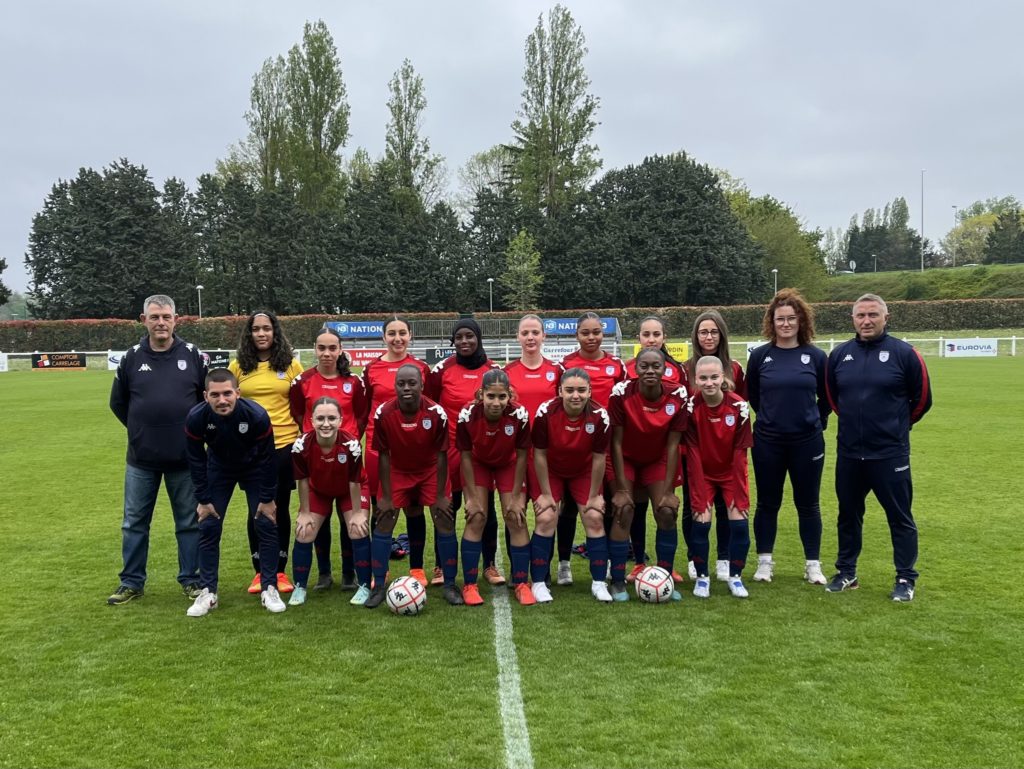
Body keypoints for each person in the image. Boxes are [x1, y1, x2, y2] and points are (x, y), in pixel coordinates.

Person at [825, 293, 932, 602]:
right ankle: (847, 572)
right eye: (861, 315)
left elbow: (922, 399)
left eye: (873, 315)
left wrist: (897, 427)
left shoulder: (905, 354)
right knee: (848, 515)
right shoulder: (839, 355)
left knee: (900, 517)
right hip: (849, 453)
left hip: (889, 454)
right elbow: (834, 399)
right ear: (853, 319)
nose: (867, 320)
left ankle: (905, 578)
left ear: (886, 317)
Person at [108, 294, 206, 605]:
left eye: (166, 316)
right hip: (141, 460)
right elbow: (118, 403)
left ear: (176, 319)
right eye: (155, 317)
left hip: (185, 459)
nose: (161, 322)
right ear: (144, 320)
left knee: (189, 523)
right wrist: (141, 431)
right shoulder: (132, 357)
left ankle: (191, 580)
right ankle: (131, 582)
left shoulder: (192, 355)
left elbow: (208, 403)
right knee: (134, 523)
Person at [183, 368, 284, 616]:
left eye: (227, 393)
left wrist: (268, 498)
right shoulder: (196, 417)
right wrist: (203, 500)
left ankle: (269, 587)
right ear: (205, 396)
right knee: (208, 525)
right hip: (219, 469)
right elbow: (196, 461)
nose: (222, 400)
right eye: (215, 395)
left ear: (238, 393)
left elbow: (269, 458)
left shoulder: (257, 415)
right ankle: (208, 592)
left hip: (255, 468)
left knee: (266, 522)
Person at [746, 290, 830, 585]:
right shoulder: (760, 356)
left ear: (801, 320)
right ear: (772, 321)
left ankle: (813, 565)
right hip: (768, 441)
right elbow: (753, 396)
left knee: (808, 504)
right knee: (768, 503)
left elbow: (828, 397)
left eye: (791, 318)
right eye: (780, 318)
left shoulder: (817, 357)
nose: (785, 323)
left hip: (807, 441)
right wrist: (771, 419)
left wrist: (815, 421)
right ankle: (765, 563)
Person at [370, 364, 463, 607]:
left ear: (422, 385)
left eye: (412, 383)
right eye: (401, 384)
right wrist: (386, 496)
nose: (407, 388)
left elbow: (442, 455)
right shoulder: (383, 413)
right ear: (395, 386)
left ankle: (451, 584)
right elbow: (383, 455)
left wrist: (442, 495)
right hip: (398, 471)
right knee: (384, 518)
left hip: (429, 470)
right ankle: (379, 585)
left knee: (443, 517)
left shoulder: (436, 413)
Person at [228, 311, 304, 596]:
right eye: (256, 329)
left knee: (279, 507)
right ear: (249, 334)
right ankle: (260, 572)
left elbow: (301, 406)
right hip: (249, 451)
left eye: (267, 328)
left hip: (283, 446)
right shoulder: (239, 367)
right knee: (255, 510)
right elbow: (227, 405)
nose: (261, 333)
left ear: (275, 332)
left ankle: (281, 570)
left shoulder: (291, 365)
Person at [426, 318, 505, 586]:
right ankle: (440, 565)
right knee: (446, 507)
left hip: (481, 452)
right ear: (453, 341)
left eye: (469, 336)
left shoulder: (492, 370)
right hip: (448, 451)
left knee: (485, 509)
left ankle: (490, 564)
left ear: (478, 338)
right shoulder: (441, 370)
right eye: (459, 337)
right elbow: (430, 406)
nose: (464, 341)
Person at [290, 327, 369, 591]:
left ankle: (350, 575)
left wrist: (346, 442)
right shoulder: (302, 381)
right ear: (315, 349)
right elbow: (299, 415)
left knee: (351, 519)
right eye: (321, 348)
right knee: (317, 520)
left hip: (347, 460)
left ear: (340, 349)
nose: (327, 353)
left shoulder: (354, 382)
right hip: (317, 459)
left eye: (332, 348)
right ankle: (324, 573)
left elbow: (360, 416)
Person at [607, 348, 687, 602]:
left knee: (665, 510)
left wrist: (667, 491)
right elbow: (616, 443)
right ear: (635, 369)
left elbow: (673, 445)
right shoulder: (621, 393)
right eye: (644, 366)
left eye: (656, 366)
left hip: (657, 459)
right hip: (625, 457)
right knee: (625, 509)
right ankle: (618, 581)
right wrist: (620, 489)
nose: (650, 371)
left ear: (665, 369)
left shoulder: (678, 394)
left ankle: (664, 576)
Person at [530, 369, 613, 602]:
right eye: (569, 390)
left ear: (590, 391)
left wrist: (595, 495)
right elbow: (539, 454)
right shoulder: (546, 412)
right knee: (546, 517)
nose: (575, 395)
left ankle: (598, 582)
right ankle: (538, 582)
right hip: (552, 470)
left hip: (583, 471)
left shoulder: (600, 416)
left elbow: (599, 459)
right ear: (560, 392)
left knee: (595, 516)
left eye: (581, 390)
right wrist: (546, 494)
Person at [361, 317, 432, 586]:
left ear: (410, 336)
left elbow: (429, 406)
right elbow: (364, 407)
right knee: (381, 509)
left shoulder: (422, 368)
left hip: (412, 449)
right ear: (384, 338)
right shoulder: (371, 369)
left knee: (414, 509)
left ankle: (417, 568)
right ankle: (379, 567)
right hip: (377, 449)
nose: (397, 338)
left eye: (402, 333)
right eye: (392, 333)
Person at [557, 312, 625, 585]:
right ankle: (564, 563)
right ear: (577, 335)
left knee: (603, 505)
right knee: (569, 507)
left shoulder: (615, 365)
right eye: (585, 332)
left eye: (596, 332)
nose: (591, 337)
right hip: (575, 446)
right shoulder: (565, 365)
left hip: (605, 447)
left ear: (603, 334)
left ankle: (605, 560)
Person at [456, 370, 532, 606]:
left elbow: (521, 457)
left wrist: (518, 496)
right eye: (491, 396)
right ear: (481, 394)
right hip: (478, 463)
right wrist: (471, 497)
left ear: (509, 395)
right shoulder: (467, 415)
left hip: (507, 464)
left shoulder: (519, 415)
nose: (496, 402)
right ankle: (469, 585)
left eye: (502, 397)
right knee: (476, 516)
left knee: (515, 516)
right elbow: (466, 457)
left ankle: (521, 582)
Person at [681, 310, 745, 582]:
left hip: (726, 448)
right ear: (696, 336)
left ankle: (723, 557)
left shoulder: (736, 368)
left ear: (722, 334)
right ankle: (695, 558)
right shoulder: (685, 368)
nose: (708, 336)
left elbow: (741, 405)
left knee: (725, 506)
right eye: (703, 332)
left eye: (714, 331)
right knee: (693, 505)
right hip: (694, 449)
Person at [288, 397, 370, 607]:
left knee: (357, 529)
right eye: (321, 418)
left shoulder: (351, 444)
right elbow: (303, 481)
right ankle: (299, 587)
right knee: (304, 530)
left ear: (341, 420)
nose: (326, 423)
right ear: (311, 420)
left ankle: (363, 585)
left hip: (350, 490)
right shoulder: (301, 446)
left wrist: (359, 513)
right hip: (319, 490)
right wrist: (305, 512)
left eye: (332, 418)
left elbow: (354, 482)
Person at [622, 315, 684, 585]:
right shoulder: (627, 371)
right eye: (646, 334)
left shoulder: (677, 371)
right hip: (631, 451)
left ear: (664, 337)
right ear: (639, 338)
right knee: (635, 506)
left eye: (656, 334)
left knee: (665, 508)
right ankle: (638, 562)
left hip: (660, 453)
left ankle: (665, 568)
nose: (651, 338)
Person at [686, 356, 754, 599]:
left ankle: (735, 577)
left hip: (730, 474)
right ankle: (702, 577)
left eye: (714, 377)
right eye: (703, 378)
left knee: (739, 525)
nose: (709, 383)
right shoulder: (691, 408)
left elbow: (740, 452)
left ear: (724, 377)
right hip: (703, 474)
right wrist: (698, 492)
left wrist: (738, 491)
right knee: (701, 524)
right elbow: (692, 452)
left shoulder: (739, 407)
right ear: (695, 380)